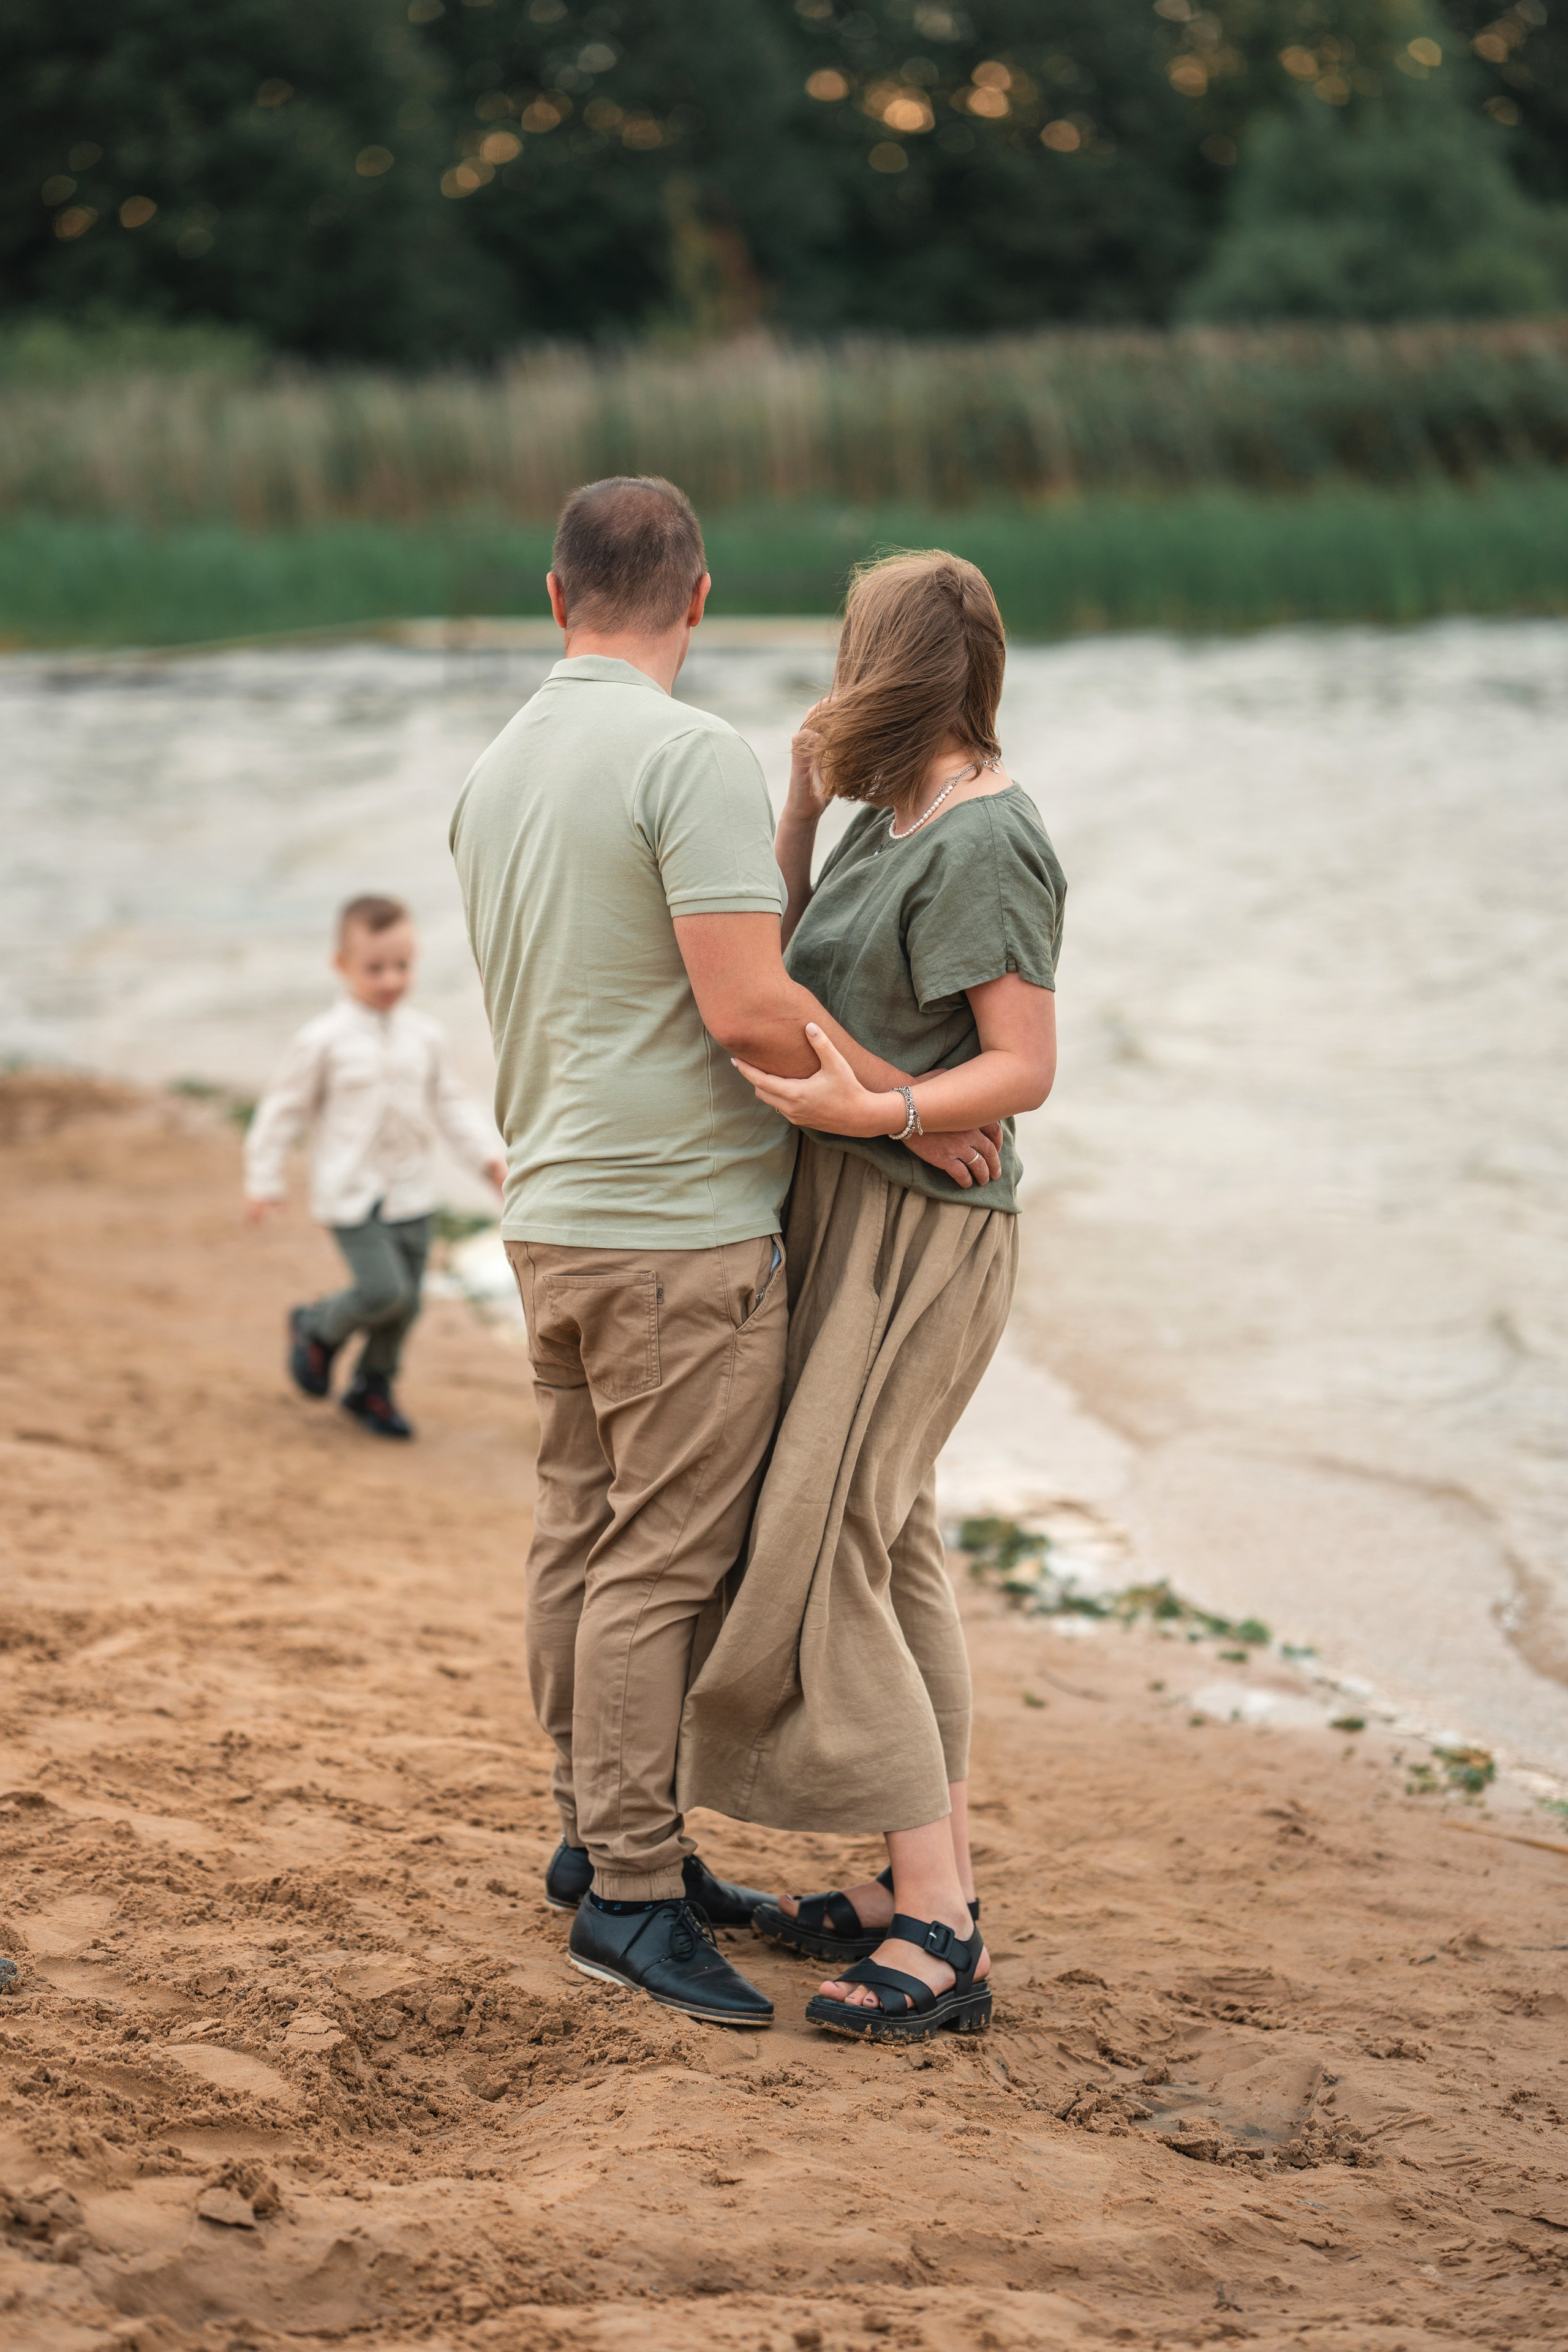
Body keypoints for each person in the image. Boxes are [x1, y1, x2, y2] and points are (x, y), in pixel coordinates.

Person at [448, 477, 1007, 2027]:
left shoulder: (493, 769)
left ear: (555, 598)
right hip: (678, 1232)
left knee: (579, 1529)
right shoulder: (682, 749)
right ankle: (629, 1892)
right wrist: (905, 1111)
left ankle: (597, 1835)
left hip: (553, 1214)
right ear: (696, 600)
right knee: (663, 1558)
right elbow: (745, 1005)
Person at [677, 549, 1066, 2045]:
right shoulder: (887, 809)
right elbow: (774, 959)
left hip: (921, 1226)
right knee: (887, 1538)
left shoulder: (983, 837)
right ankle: (929, 1876)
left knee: (830, 1532)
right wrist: (795, 799)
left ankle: (942, 1927)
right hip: (852, 1208)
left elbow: (1020, 1069)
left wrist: (885, 1115)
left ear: (885, 662)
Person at [243, 893, 505, 1440]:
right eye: (375, 968)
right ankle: (316, 1328)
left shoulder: (426, 1037)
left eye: (402, 966)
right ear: (341, 966)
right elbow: (282, 1111)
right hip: (351, 1195)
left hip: (412, 1192)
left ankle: (372, 1387)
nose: (390, 979)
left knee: (408, 1308)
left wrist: (488, 1160)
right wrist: (263, 1178)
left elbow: (454, 1104)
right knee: (387, 1293)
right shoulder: (324, 1041)